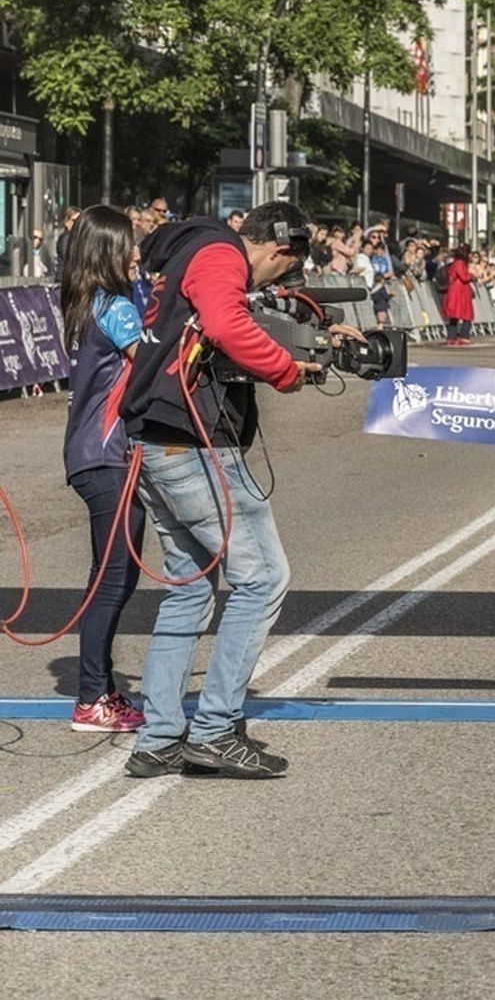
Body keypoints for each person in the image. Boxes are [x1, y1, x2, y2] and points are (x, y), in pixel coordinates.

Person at [120, 201, 344, 778]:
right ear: (279, 248)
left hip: (155, 438)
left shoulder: (190, 250)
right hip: (194, 443)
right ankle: (216, 729)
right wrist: (287, 370)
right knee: (263, 577)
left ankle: (160, 737)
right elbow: (225, 324)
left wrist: (313, 340)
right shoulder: (221, 253)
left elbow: (223, 326)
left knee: (191, 591)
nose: (280, 282)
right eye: (285, 270)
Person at [58, 206, 147, 732]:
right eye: (129, 245)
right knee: (114, 580)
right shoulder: (115, 309)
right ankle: (92, 697)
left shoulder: (86, 303)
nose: (137, 254)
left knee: (111, 576)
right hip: (106, 457)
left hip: (90, 456)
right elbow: (156, 371)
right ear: (108, 252)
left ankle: (100, 687)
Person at [442, 244, 476, 345]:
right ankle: (463, 335)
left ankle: (451, 336)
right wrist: (471, 275)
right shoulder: (460, 263)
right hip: (459, 291)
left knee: (455, 316)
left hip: (457, 290)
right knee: (466, 314)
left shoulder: (455, 263)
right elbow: (464, 277)